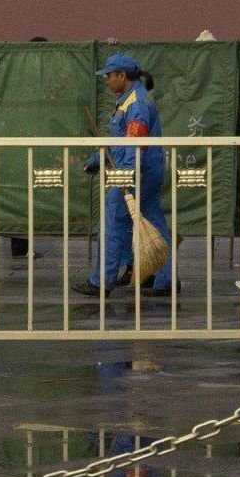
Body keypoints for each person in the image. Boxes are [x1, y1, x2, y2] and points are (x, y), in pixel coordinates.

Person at [74, 53, 175, 298]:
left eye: (109, 76)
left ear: (122, 76)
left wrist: (126, 176)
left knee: (113, 222)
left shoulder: (136, 103)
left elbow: (134, 144)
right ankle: (166, 280)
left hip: (136, 173)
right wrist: (97, 161)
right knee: (155, 225)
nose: (107, 81)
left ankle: (101, 282)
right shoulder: (131, 99)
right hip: (145, 171)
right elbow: (120, 141)